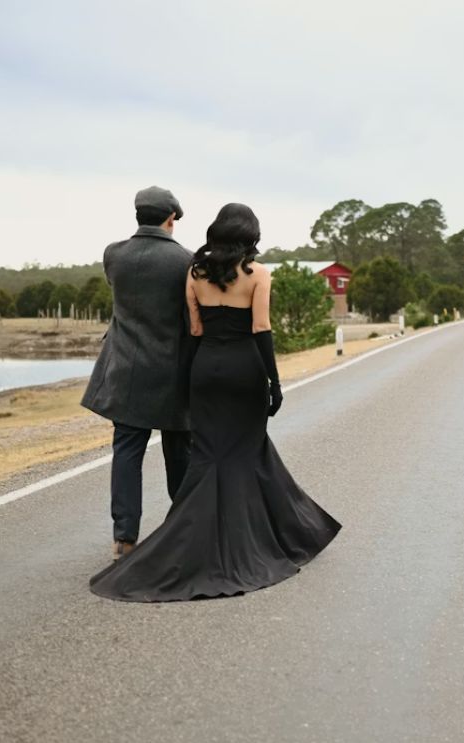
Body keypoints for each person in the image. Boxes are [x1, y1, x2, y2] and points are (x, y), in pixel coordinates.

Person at [89, 203, 340, 602]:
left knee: (207, 456)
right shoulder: (258, 274)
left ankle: (177, 534)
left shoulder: (194, 272)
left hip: (205, 371)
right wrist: (274, 382)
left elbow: (194, 329)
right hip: (244, 370)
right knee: (248, 452)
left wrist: (189, 382)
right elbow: (261, 328)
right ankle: (257, 537)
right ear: (250, 235)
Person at [81, 186, 195, 561]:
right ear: (170, 219)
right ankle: (181, 531)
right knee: (178, 452)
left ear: (138, 216)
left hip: (126, 371)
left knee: (127, 453)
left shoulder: (114, 255)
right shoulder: (186, 261)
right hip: (171, 371)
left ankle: (124, 538)